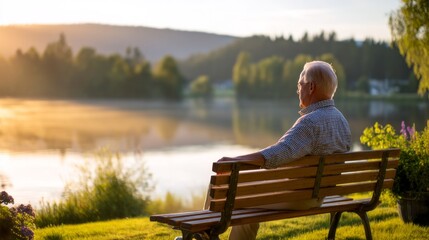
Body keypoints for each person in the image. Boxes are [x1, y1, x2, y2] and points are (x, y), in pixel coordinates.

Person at [215, 60, 352, 240]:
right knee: (244, 198)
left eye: (300, 84)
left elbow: (276, 155)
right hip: (320, 195)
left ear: (311, 87)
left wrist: (232, 161)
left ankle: (202, 233)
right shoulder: (341, 120)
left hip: (300, 197)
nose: (298, 90)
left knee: (222, 186)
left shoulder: (310, 123)